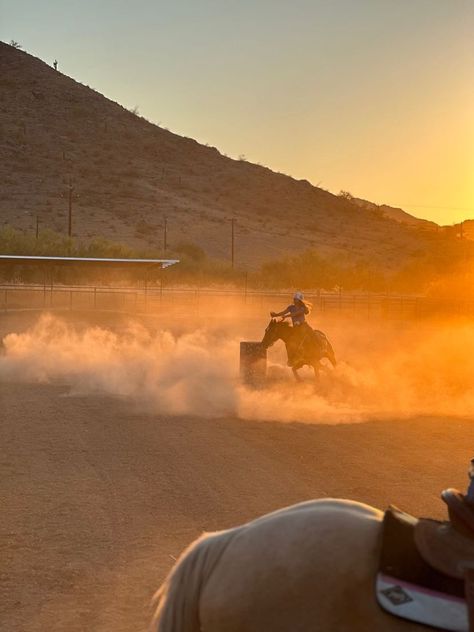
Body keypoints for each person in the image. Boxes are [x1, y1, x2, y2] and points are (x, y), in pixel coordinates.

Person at [270, 292, 313, 366]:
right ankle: (292, 357)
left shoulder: (302, 308)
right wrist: (276, 315)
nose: (295, 300)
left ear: (300, 301)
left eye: (296, 299)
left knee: (309, 336)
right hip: (296, 327)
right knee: (289, 341)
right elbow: (283, 312)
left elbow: (295, 314)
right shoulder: (291, 307)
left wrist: (285, 316)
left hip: (303, 326)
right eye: (294, 299)